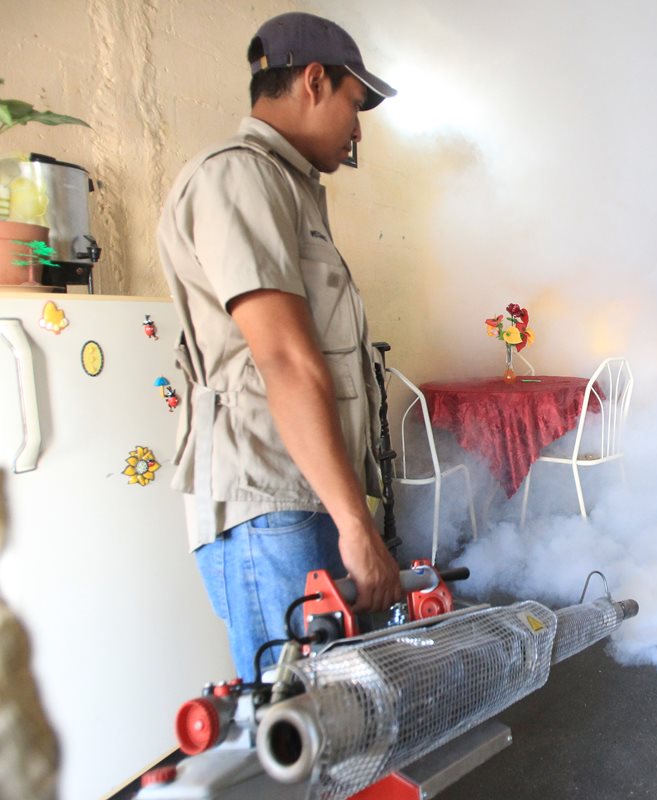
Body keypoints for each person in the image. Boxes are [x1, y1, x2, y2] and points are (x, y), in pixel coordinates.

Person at [157, 12, 403, 679]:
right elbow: (287, 361)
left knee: (335, 719)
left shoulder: (287, 191)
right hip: (273, 509)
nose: (358, 129)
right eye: (356, 105)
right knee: (300, 727)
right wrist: (357, 527)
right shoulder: (240, 178)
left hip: (305, 498)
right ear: (314, 81)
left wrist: (354, 511)